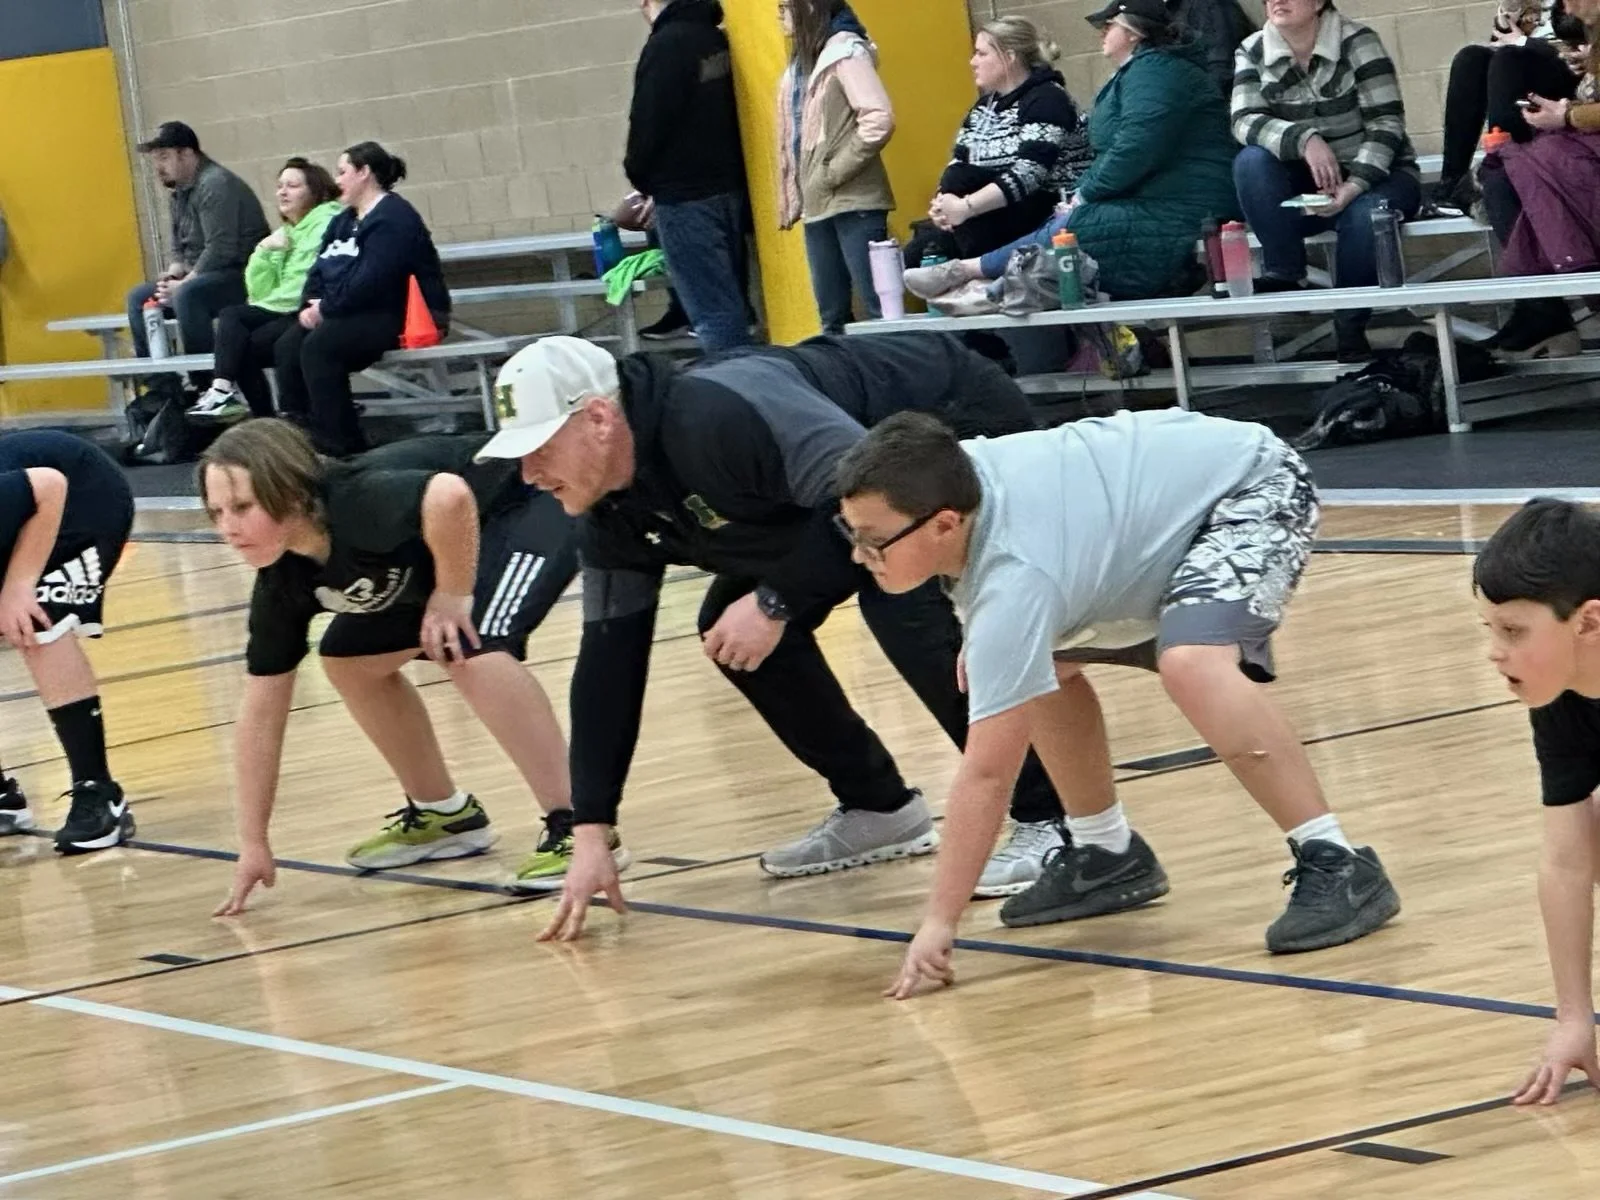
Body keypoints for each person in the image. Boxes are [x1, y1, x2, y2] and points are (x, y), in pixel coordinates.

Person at [468, 334, 1070, 941]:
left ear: (597, 418)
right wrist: (591, 827)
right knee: (727, 627)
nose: (527, 472)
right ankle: (880, 808)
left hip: (949, 420)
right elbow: (607, 665)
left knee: (901, 602)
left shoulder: (719, 417)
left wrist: (775, 600)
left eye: (539, 447)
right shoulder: (610, 512)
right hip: (837, 507)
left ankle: (1054, 816)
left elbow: (872, 498)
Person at [828, 409, 1403, 1000]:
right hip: (1171, 494)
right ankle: (1107, 851)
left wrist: (938, 924)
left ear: (945, 524)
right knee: (1037, 664)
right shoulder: (950, 482)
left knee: (1192, 662)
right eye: (851, 533)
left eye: (873, 541)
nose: (858, 555)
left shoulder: (1016, 574)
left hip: (1252, 483)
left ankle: (1336, 859)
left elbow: (988, 774)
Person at [199, 418, 609, 915]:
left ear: (290, 492)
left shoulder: (355, 501)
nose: (228, 527)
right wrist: (253, 842)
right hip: (452, 548)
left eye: (242, 507)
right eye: (217, 512)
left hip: (527, 500)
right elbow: (260, 715)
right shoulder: (283, 582)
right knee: (348, 661)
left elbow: (449, 496)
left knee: (467, 642)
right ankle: (444, 814)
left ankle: (582, 827)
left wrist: (452, 592)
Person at [905, 0, 1238, 304]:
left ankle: (978, 278)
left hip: (1185, 202)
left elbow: (1136, 147)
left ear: (1135, 33)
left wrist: (1085, 193)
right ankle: (987, 282)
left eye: (1112, 24)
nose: (1102, 31)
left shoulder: (1156, 72)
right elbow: (1121, 152)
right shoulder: (1141, 72)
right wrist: (945, 200)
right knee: (1071, 222)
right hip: (1154, 196)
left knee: (1078, 225)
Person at [1474, 499, 1600, 1105]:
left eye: (1515, 632)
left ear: (1587, 621)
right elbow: (1566, 861)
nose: (1495, 652)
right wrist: (1573, 1017)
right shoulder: (1563, 698)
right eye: (1491, 631)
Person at [1231, 0, 1421, 362]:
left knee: (1366, 214)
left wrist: (1353, 187)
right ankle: (1285, 271)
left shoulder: (1358, 41)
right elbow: (1243, 120)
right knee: (1250, 161)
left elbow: (1386, 124)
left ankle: (1350, 325)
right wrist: (1305, 139)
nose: (1276, 0)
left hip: (1381, 176)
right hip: (1308, 181)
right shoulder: (1252, 49)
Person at [0, 432, 136, 854]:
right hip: (25, 516)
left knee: (36, 620)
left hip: (79, 496)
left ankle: (98, 790)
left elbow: (49, 485)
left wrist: (19, 583)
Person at [277, 141, 451, 457]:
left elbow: (373, 280)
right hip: (355, 310)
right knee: (288, 344)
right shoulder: (342, 221)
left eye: (342, 172)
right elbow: (319, 269)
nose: (337, 180)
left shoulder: (394, 217)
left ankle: (343, 443)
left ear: (364, 173)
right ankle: (297, 432)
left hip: (401, 312)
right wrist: (311, 303)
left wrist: (326, 309)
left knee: (321, 346)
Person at [625, 0, 754, 352]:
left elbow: (649, 121)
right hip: (729, 188)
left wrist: (640, 179)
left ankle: (737, 393)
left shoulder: (666, 46)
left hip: (684, 196)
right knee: (734, 307)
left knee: (712, 313)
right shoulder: (714, 38)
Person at [187, 158, 343, 425]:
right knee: (240, 343)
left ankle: (224, 392)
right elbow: (259, 291)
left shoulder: (327, 222)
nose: (282, 192)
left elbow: (301, 283)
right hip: (285, 308)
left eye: (292, 186)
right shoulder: (288, 233)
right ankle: (264, 421)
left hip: (313, 309)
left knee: (233, 317)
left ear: (315, 192)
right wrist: (264, 252)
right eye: (280, 186)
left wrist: (269, 304)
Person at [925, 16, 1092, 261]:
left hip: (1045, 211)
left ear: (1009, 57)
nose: (973, 62)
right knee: (919, 252)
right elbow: (958, 161)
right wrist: (944, 202)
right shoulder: (985, 106)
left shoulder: (1047, 99)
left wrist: (965, 208)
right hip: (993, 212)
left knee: (950, 244)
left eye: (981, 54)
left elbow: (1029, 173)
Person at [776, 0, 896, 333]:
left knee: (879, 308)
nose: (779, 14)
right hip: (817, 203)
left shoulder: (845, 52)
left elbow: (878, 118)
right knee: (831, 316)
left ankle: (895, 379)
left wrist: (832, 172)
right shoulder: (800, 62)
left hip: (854, 200)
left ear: (810, 7)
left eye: (785, 6)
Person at [126, 121, 271, 371]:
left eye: (164, 157)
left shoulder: (216, 184)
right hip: (205, 275)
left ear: (188, 153)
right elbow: (179, 249)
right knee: (140, 297)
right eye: (155, 159)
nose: (158, 167)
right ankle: (160, 386)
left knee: (188, 295)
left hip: (242, 276)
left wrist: (183, 284)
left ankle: (206, 383)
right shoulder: (180, 191)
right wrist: (173, 274)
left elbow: (221, 248)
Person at [1430, 0, 1588, 217]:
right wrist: (1507, 20)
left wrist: (1524, 42)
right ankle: (1450, 182)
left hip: (1576, 76)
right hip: (1526, 66)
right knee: (1471, 58)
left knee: (1507, 58)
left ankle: (1496, 173)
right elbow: (1502, 40)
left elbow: (1584, 46)